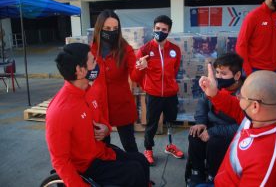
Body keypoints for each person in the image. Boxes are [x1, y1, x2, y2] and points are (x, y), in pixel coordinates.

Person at [46, 43, 150, 187]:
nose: (97, 64)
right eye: (93, 61)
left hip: (101, 153)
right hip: (86, 166)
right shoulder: (59, 111)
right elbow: (60, 161)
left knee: (141, 160)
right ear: (80, 70)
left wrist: (106, 128)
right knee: (134, 172)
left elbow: (102, 120)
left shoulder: (91, 92)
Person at [198, 65, 276, 186]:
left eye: (241, 95)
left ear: (254, 106)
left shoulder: (268, 165)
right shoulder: (267, 116)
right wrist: (214, 93)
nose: (237, 97)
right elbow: (234, 106)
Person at [91, 10, 145, 152]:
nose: (112, 32)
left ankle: (137, 172)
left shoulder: (125, 49)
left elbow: (134, 76)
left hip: (121, 105)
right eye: (107, 29)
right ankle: (110, 173)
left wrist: (140, 67)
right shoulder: (92, 50)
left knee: (129, 145)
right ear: (99, 28)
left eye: (115, 29)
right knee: (102, 146)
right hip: (99, 106)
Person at [132, 15, 184, 165]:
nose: (160, 31)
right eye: (158, 29)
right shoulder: (144, 50)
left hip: (170, 93)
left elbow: (174, 70)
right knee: (152, 124)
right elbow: (135, 76)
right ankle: (148, 149)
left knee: (170, 121)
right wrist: (141, 68)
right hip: (153, 94)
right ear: (153, 29)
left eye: (164, 29)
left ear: (169, 31)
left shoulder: (175, 49)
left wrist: (169, 84)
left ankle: (170, 146)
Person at [186, 53, 243, 186]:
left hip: (229, 132)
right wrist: (201, 123)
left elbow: (242, 126)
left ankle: (213, 177)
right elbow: (202, 103)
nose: (218, 76)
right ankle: (196, 173)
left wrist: (213, 132)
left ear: (237, 76)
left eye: (223, 73)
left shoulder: (245, 93)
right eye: (217, 72)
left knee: (215, 142)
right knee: (194, 135)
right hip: (210, 125)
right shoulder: (214, 86)